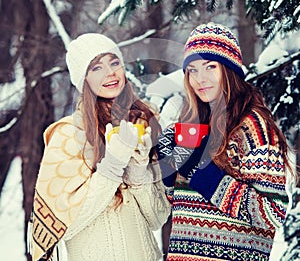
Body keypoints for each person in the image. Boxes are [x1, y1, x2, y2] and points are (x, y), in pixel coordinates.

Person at [156, 22, 293, 261]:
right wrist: (169, 171)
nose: (200, 78)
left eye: (210, 67)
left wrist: (201, 172)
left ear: (229, 70)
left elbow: (272, 211)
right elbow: (186, 206)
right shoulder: (192, 124)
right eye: (193, 70)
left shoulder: (252, 126)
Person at [29, 33, 171, 261]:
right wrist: (112, 166)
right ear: (83, 79)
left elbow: (157, 218)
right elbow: (66, 225)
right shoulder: (67, 134)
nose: (110, 72)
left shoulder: (144, 123)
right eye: (96, 67)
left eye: (114, 62)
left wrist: (137, 168)